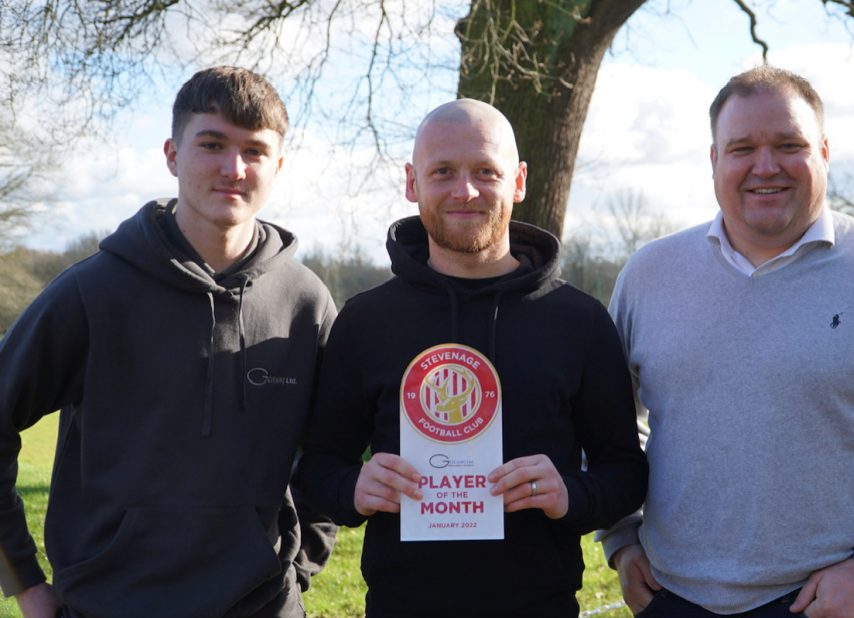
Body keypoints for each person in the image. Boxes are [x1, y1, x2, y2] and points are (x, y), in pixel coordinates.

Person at [599, 64, 854, 618]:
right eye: (742, 148)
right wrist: (620, 537)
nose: (766, 166)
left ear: (824, 152)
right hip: (669, 598)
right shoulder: (648, 275)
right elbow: (606, 425)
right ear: (713, 159)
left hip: (827, 604)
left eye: (789, 145)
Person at [0, 66, 337, 617]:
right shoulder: (92, 291)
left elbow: (331, 450)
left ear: (277, 166)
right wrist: (23, 581)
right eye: (212, 144)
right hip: (110, 605)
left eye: (254, 151)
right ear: (172, 155)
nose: (233, 168)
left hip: (265, 606)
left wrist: (302, 566)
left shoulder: (306, 301)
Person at [297, 98, 648, 617]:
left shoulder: (579, 321)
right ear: (412, 182)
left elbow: (625, 472)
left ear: (519, 181)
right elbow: (317, 469)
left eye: (486, 171)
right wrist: (354, 488)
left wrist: (570, 494)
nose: (465, 191)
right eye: (443, 171)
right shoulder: (366, 321)